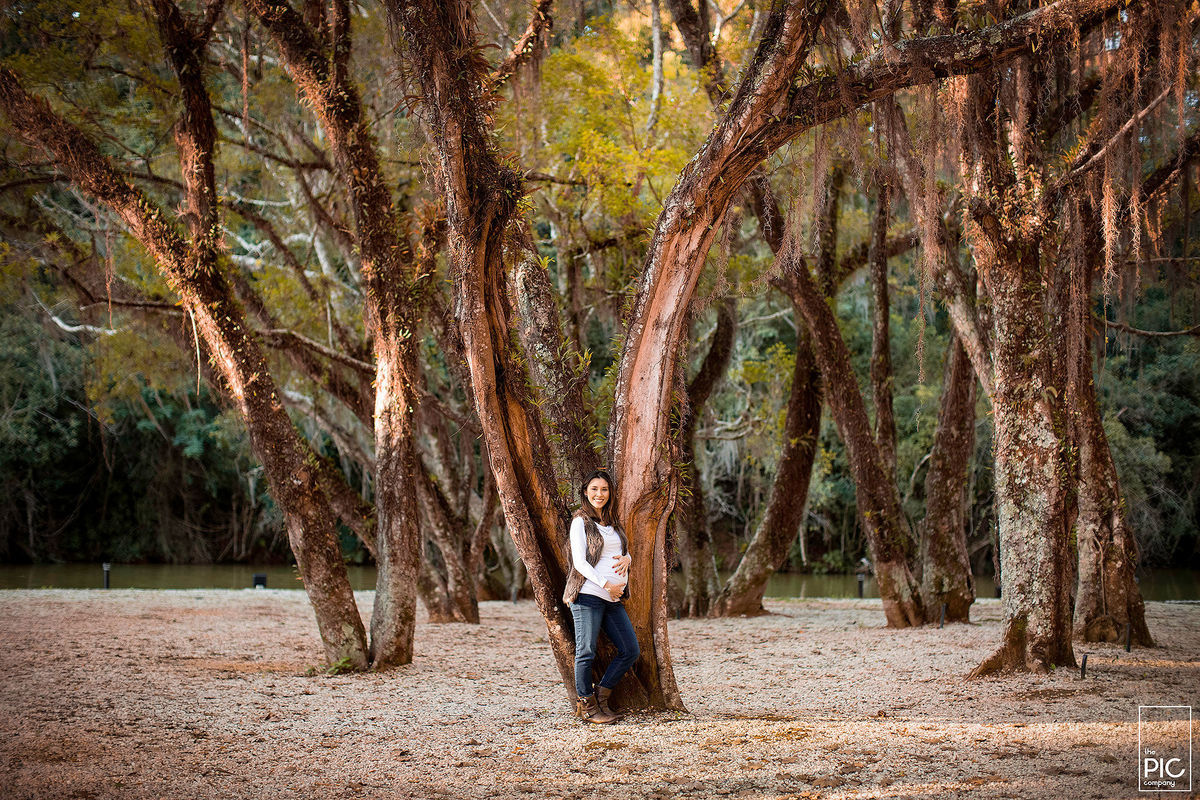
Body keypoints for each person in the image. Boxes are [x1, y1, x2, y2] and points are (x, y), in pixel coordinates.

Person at [562, 469, 640, 724]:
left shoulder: (612, 523)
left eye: (604, 490)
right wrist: (607, 583)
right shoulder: (580, 522)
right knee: (586, 651)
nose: (599, 494)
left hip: (613, 599)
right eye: (594, 489)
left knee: (630, 649)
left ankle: (602, 698)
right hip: (589, 595)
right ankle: (587, 706)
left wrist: (628, 559)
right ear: (585, 491)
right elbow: (580, 563)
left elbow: (617, 554)